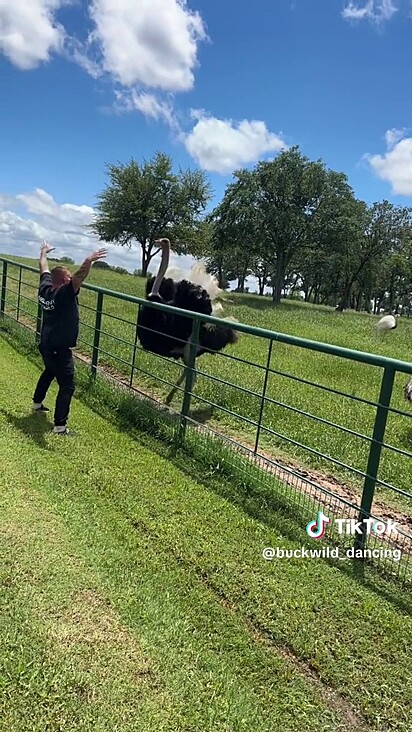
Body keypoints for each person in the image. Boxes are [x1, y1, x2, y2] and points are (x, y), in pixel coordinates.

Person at [32, 241, 107, 434]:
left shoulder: (45, 288)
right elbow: (79, 277)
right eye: (68, 277)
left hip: (46, 343)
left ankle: (37, 404)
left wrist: (43, 253)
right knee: (67, 385)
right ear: (64, 281)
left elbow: (43, 267)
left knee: (49, 371)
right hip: (59, 348)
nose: (71, 278)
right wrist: (89, 260)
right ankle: (60, 426)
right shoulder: (64, 294)